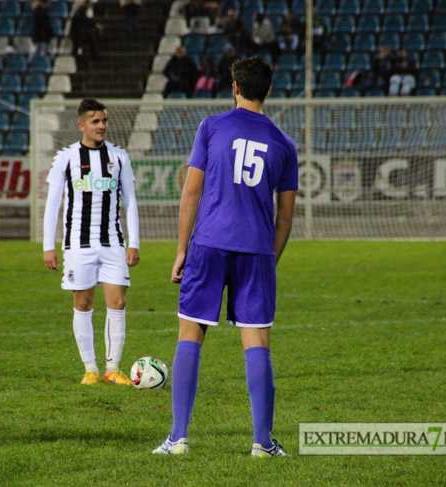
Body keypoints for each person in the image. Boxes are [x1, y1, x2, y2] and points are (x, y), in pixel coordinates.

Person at [152, 56, 298, 457]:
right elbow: (285, 216)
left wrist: (182, 248)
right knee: (257, 340)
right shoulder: (284, 144)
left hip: (209, 243)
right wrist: (271, 259)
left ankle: (178, 438)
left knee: (191, 332)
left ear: (234, 87)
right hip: (256, 250)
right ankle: (262, 443)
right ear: (268, 90)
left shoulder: (211, 127)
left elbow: (191, 191)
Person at [43, 99, 141, 386]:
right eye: (95, 121)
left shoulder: (119, 157)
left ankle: (113, 368)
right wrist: (49, 245)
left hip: (112, 243)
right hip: (78, 244)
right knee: (83, 303)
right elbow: (53, 205)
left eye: (104, 121)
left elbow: (130, 202)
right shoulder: (66, 158)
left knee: (118, 302)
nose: (102, 126)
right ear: (81, 125)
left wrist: (133, 243)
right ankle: (91, 369)